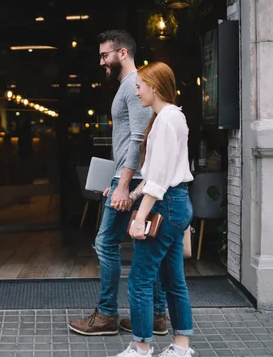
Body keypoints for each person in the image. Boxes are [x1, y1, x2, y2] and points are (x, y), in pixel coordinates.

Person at [68, 29, 168, 337]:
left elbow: (139, 138)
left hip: (134, 179)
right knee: (144, 245)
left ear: (122, 53)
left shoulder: (135, 85)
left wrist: (124, 184)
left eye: (104, 55)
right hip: (128, 177)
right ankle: (155, 316)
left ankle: (107, 316)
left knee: (106, 243)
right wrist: (114, 179)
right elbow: (127, 139)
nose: (101, 62)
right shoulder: (128, 86)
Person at [109, 61, 195, 357]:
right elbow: (158, 173)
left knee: (140, 279)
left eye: (139, 86)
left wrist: (140, 217)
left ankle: (141, 346)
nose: (136, 93)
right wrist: (132, 195)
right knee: (173, 279)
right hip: (175, 202)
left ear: (154, 87)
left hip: (165, 204)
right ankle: (181, 347)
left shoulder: (166, 120)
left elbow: (158, 179)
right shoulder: (170, 117)